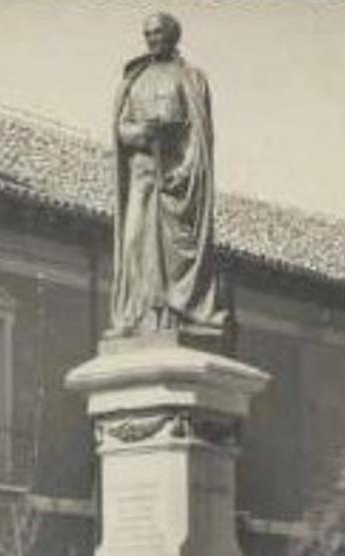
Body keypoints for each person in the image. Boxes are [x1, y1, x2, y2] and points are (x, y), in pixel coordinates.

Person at [109, 13, 226, 336]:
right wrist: (140, 133)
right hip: (141, 174)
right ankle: (136, 316)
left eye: (158, 33)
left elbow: (200, 137)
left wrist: (184, 171)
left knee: (171, 249)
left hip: (175, 178)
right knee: (133, 243)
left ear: (173, 35)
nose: (151, 39)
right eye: (147, 34)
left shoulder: (190, 78)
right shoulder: (134, 79)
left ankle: (174, 312)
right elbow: (121, 127)